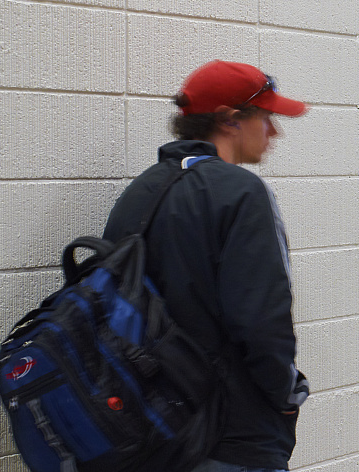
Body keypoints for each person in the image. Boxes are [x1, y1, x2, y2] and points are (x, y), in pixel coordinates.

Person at [101, 60, 311, 472]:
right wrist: (287, 398)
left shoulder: (140, 192)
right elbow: (261, 323)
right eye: (267, 118)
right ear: (231, 119)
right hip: (231, 434)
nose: (275, 132)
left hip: (154, 430)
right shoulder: (241, 193)